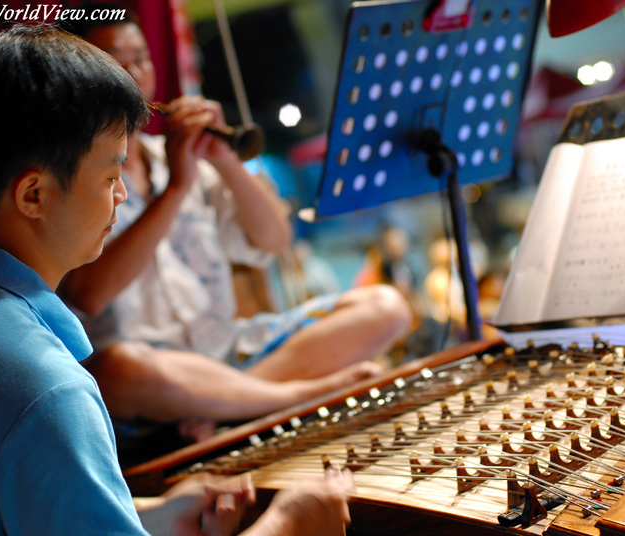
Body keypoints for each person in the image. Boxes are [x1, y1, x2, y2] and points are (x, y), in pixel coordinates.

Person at [0, 24, 355, 535]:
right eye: (109, 175)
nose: (121, 194)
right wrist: (292, 524)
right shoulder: (45, 387)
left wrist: (151, 514)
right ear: (33, 195)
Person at [61, 11, 413, 432]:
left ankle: (224, 407)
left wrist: (224, 158)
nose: (136, 73)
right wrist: (175, 189)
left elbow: (275, 239)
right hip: (155, 371)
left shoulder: (183, 156)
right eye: (118, 61)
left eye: (142, 58)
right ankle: (287, 398)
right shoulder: (75, 177)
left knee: (386, 307)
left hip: (231, 352)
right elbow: (89, 295)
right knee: (117, 368)